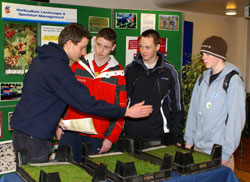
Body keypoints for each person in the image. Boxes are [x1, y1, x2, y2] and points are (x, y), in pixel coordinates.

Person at [10, 23, 152, 163]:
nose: (84, 52)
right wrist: (126, 112)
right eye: (82, 47)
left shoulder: (43, 59)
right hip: (34, 136)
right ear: (70, 44)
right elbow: (86, 103)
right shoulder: (59, 69)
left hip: (25, 131)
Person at [56, 28, 126, 162]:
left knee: (92, 174)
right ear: (94, 41)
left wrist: (110, 138)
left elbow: (121, 108)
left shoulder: (119, 73)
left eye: (106, 47)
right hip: (71, 130)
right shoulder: (78, 64)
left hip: (98, 135)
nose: (101, 50)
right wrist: (59, 123)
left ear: (113, 47)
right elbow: (63, 96)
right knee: (65, 171)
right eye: (99, 45)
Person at [184, 35, 245, 170]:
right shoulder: (202, 79)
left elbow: (235, 121)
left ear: (219, 55)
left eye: (207, 54)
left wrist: (226, 153)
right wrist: (189, 141)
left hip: (219, 152)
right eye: (202, 54)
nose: (203, 57)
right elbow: (193, 112)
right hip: (198, 149)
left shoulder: (233, 82)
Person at [122, 29, 185, 148]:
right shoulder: (130, 70)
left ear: (157, 47)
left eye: (148, 47)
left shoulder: (169, 71)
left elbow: (177, 106)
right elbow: (122, 102)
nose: (143, 51)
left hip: (158, 137)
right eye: (141, 47)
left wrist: (177, 136)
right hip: (130, 135)